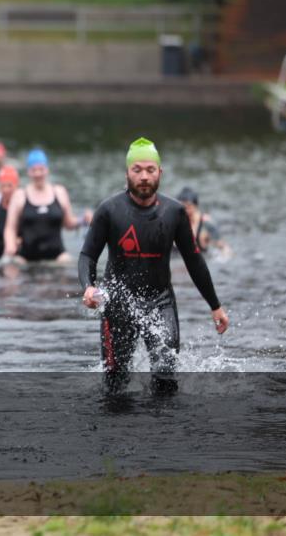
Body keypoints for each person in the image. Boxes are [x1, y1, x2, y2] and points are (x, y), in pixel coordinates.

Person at [79, 138, 230, 393]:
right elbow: (87, 256)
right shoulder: (109, 210)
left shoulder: (174, 212)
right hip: (118, 304)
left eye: (150, 170)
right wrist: (88, 287)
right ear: (127, 173)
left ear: (160, 172)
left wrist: (215, 306)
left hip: (161, 302)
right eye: (137, 170)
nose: (144, 176)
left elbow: (194, 260)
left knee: (166, 382)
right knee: (115, 387)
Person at [3, 149, 87, 263]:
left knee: (67, 263)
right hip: (26, 258)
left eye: (41, 169)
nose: (38, 173)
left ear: (47, 169)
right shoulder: (20, 195)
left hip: (57, 257)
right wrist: (10, 245)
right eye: (34, 170)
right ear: (28, 171)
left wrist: (83, 220)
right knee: (14, 267)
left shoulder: (59, 192)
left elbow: (68, 223)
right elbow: (10, 228)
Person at [176, 186, 231, 258]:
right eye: (182, 207)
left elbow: (223, 247)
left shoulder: (206, 223)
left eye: (188, 206)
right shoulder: (177, 222)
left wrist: (225, 257)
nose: (185, 210)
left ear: (195, 205)